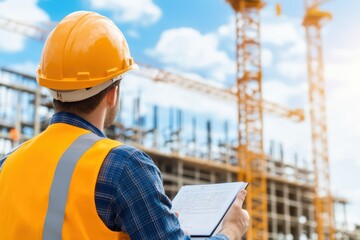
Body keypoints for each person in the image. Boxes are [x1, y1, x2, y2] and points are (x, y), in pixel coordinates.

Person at [0, 11, 250, 239]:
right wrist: (231, 230)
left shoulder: (7, 164)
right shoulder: (123, 167)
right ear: (113, 93)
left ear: (52, 88)